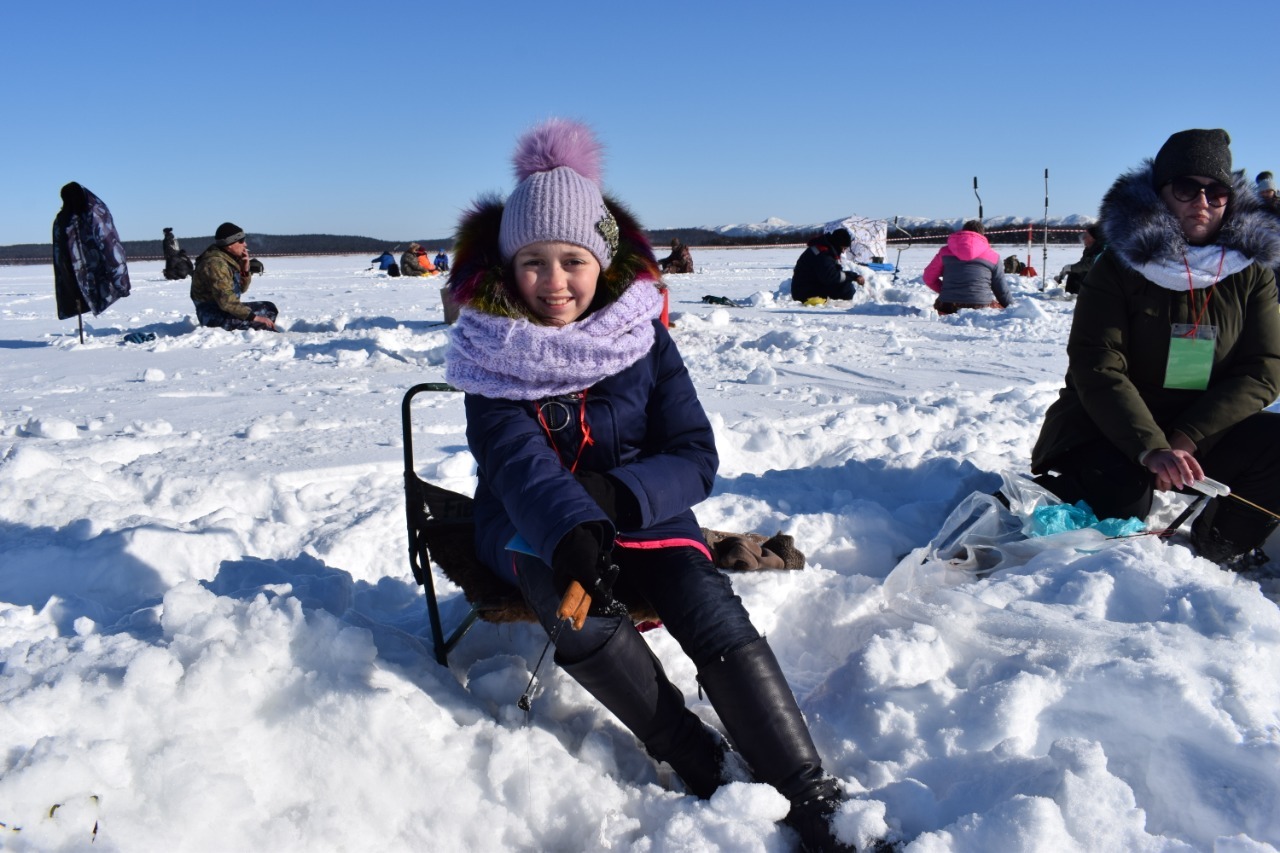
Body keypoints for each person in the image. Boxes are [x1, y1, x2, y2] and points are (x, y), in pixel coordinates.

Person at [444, 119, 872, 853]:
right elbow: (514, 461)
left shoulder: (643, 337)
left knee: (705, 601)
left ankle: (809, 792)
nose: (554, 283)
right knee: (572, 606)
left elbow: (693, 452)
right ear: (509, 268)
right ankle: (697, 756)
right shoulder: (491, 351)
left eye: (572, 260)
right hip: (529, 522)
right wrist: (573, 524)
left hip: (643, 510)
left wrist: (613, 500)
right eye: (534, 263)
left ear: (601, 261)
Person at [1032, 128, 1280, 568]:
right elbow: (1098, 364)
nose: (1202, 202)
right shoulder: (1117, 266)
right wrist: (1150, 445)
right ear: (1160, 192)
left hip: (1202, 428)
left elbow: (1264, 369)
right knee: (1121, 505)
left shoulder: (1251, 271)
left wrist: (1188, 437)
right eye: (1187, 188)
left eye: (1216, 191)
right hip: (1112, 426)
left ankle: (1216, 551)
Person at [51, 182, 131, 320]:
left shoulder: (95, 213)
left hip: (95, 274)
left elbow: (110, 245)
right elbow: (60, 255)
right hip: (75, 276)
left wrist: (121, 283)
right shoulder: (63, 219)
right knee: (79, 299)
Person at [190, 222, 278, 331]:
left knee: (269, 309)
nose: (245, 245)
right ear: (229, 244)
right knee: (261, 324)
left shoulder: (229, 260)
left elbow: (241, 289)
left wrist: (245, 269)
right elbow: (226, 300)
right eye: (241, 241)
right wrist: (255, 318)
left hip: (223, 309)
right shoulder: (215, 264)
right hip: (212, 315)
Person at [922, 220, 1011, 314]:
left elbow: (929, 278)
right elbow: (1001, 290)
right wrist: (1012, 309)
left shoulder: (944, 252)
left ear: (962, 231)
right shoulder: (994, 257)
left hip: (947, 305)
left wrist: (947, 291)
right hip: (981, 306)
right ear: (982, 235)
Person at [790, 228, 864, 302]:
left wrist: (853, 276)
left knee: (844, 285)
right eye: (843, 248)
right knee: (846, 288)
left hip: (806, 287)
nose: (843, 251)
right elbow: (830, 276)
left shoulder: (827, 250)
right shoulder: (823, 253)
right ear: (837, 244)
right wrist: (852, 276)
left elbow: (833, 272)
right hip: (805, 292)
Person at [1054, 224, 1104, 295]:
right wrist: (1068, 270)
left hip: (1102, 280)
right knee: (1074, 274)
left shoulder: (1101, 250)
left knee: (1081, 273)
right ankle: (1072, 295)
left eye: (1086, 236)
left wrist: (1071, 268)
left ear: (1093, 238)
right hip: (1094, 278)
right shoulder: (1089, 249)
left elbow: (1090, 265)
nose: (1083, 238)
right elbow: (1082, 264)